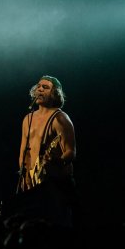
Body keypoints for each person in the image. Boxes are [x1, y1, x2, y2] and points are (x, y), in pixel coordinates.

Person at [14, 75, 77, 224]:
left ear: (55, 94)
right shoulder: (28, 118)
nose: (40, 89)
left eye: (46, 87)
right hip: (32, 183)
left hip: (55, 183)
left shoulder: (60, 118)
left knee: (55, 224)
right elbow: (24, 151)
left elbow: (71, 152)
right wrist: (25, 177)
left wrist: (56, 161)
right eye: (39, 86)